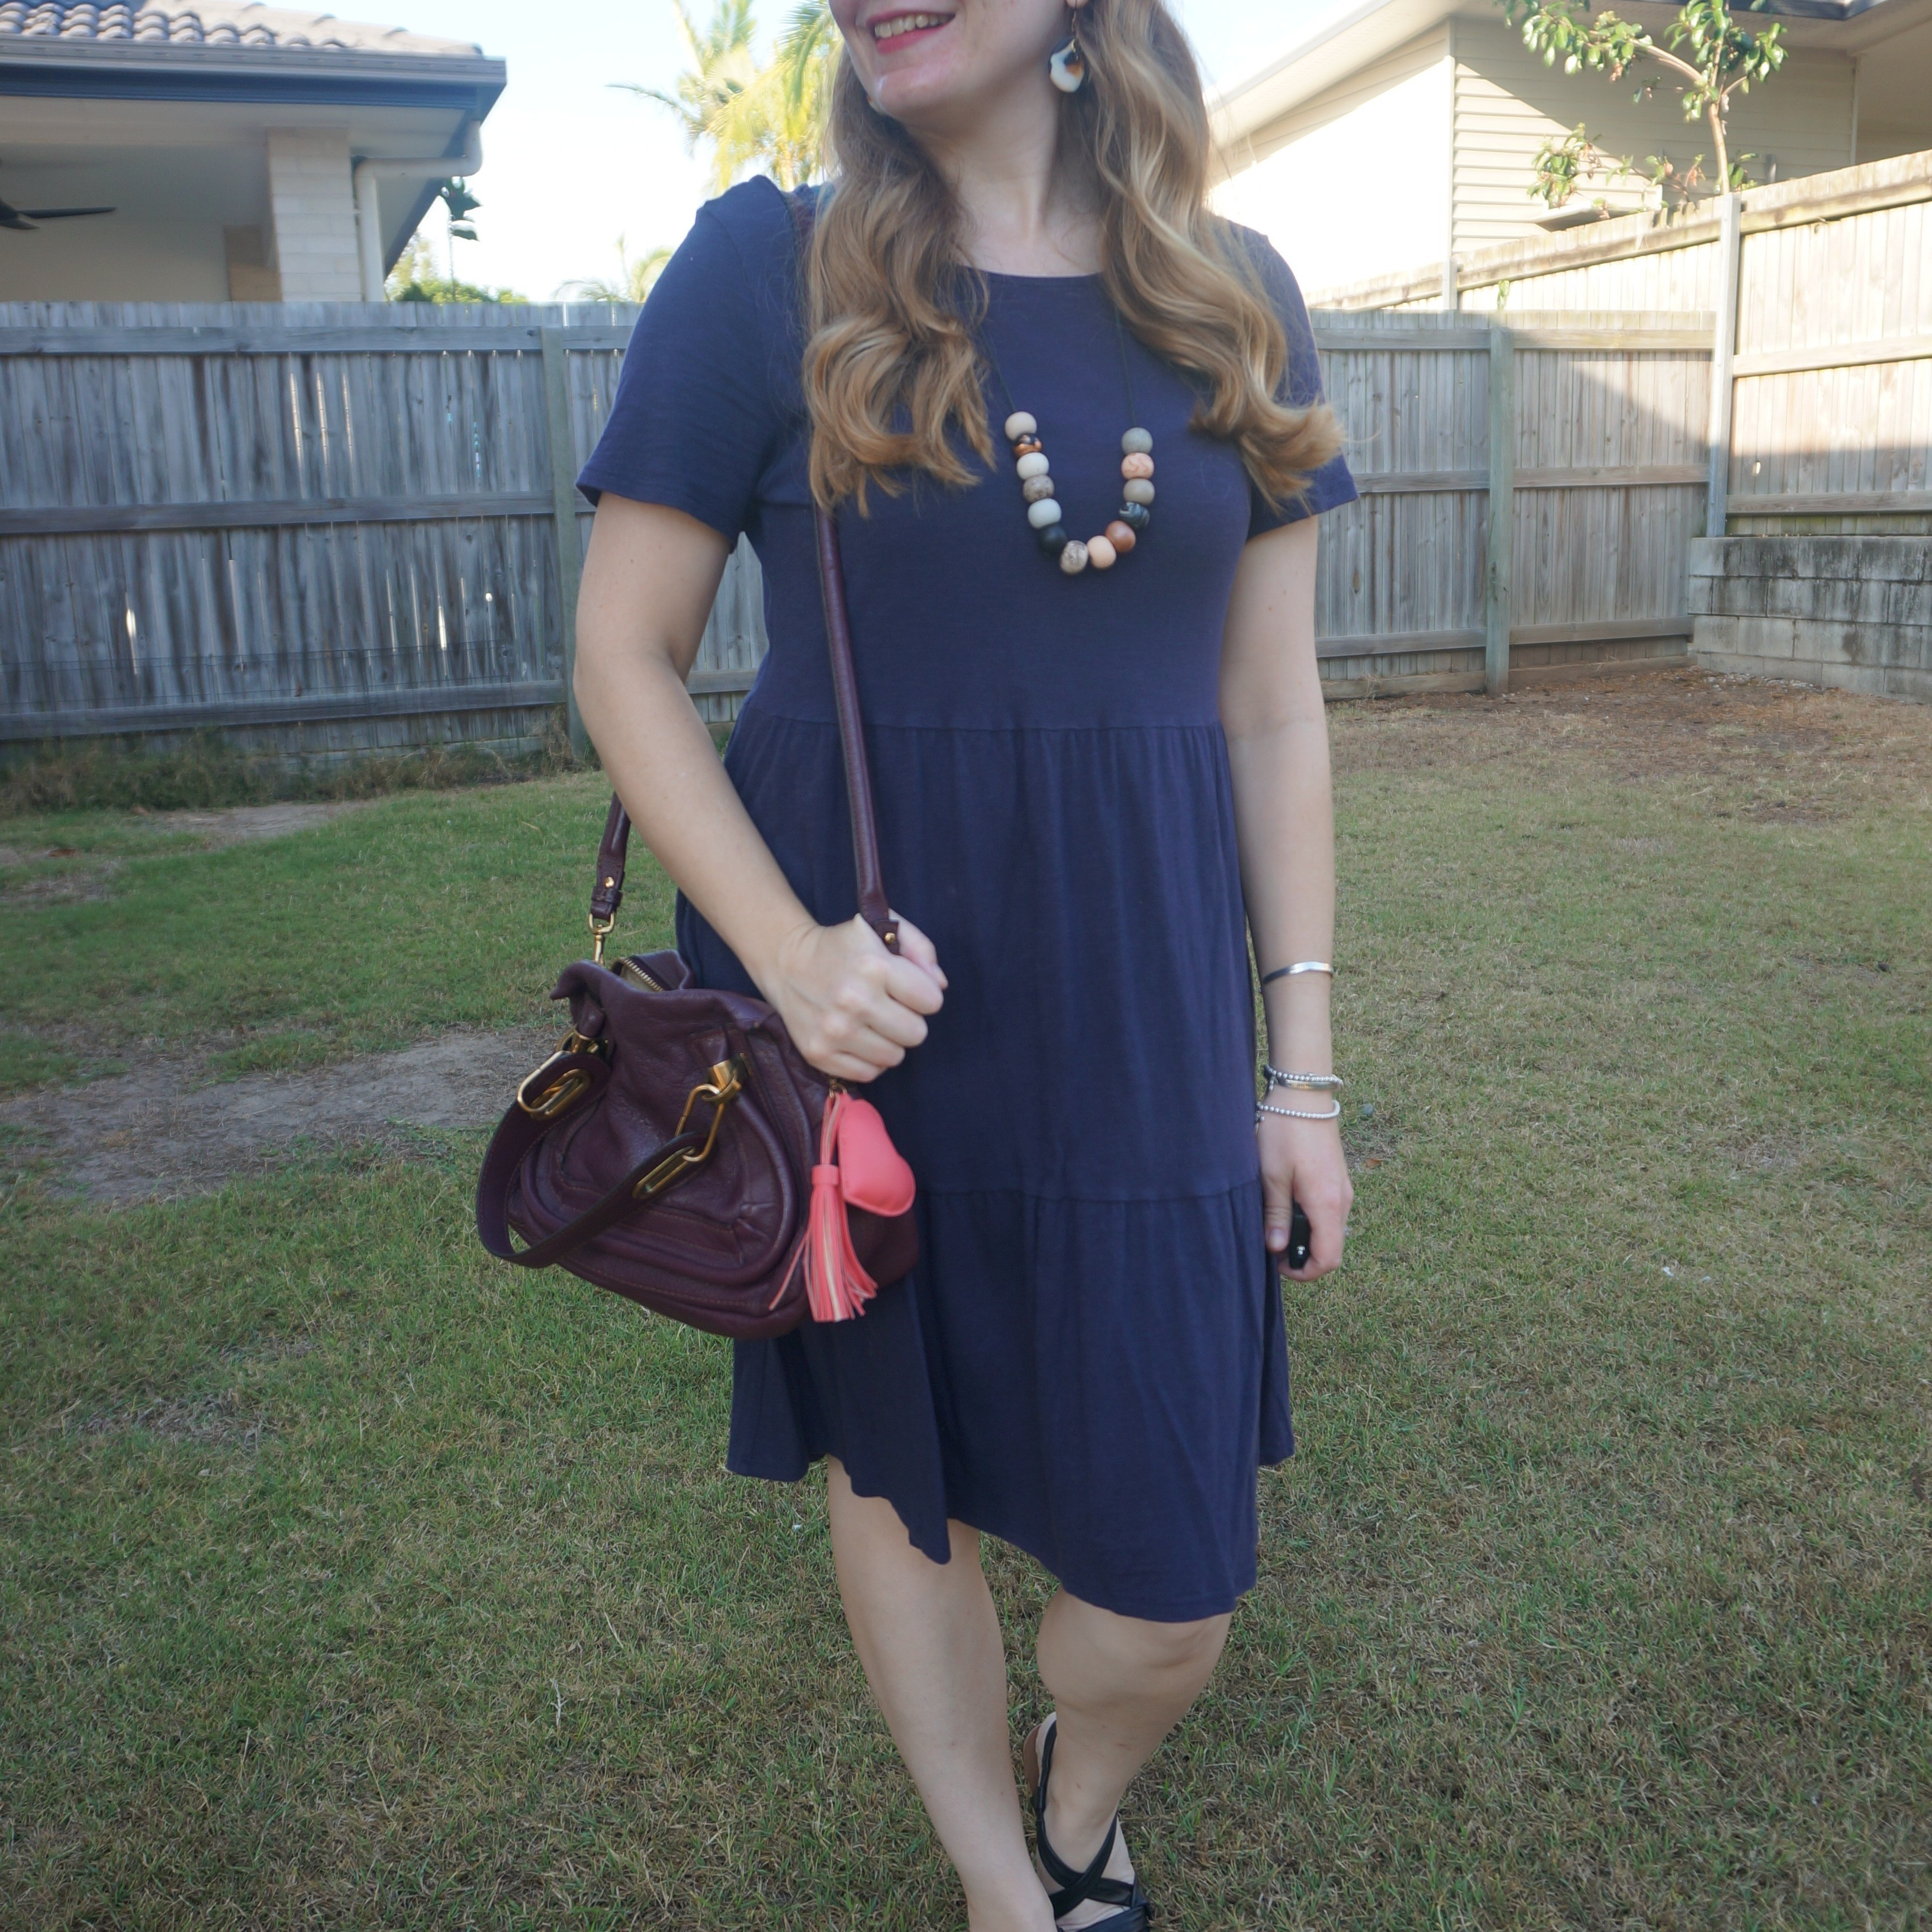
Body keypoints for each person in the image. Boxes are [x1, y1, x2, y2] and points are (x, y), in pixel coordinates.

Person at [572, 2, 1357, 1924]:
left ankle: (1080, 1787)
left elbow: (1274, 714)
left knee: (1169, 1595)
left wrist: (1304, 1074)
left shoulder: (1236, 300)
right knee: (895, 1465)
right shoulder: (772, 268)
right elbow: (623, 654)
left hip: (1147, 1006)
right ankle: (1016, 1887)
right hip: (867, 1005)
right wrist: (788, 956)